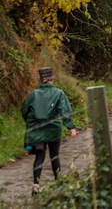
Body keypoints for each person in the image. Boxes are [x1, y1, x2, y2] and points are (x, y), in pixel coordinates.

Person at [21, 68, 77, 196]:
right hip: (53, 129)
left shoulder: (33, 94)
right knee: (54, 156)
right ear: (51, 80)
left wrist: (30, 123)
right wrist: (71, 127)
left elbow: (24, 110)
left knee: (39, 156)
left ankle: (36, 183)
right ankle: (58, 184)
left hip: (36, 129)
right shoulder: (59, 93)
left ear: (41, 80)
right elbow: (64, 111)